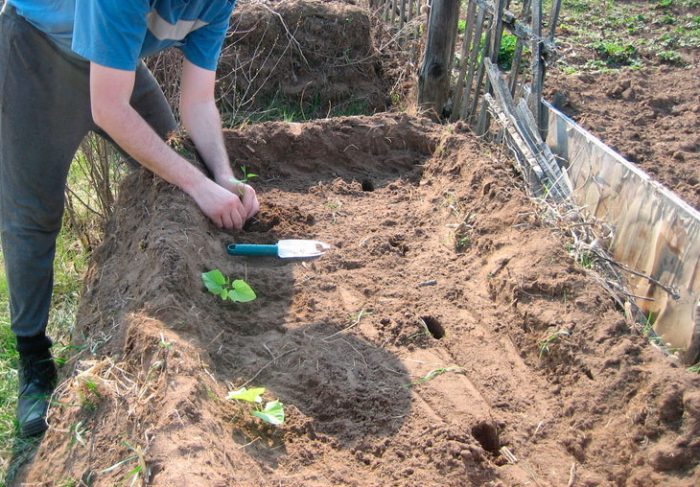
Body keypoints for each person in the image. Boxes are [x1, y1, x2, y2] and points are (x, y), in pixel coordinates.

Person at [0, 0, 259, 437]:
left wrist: (222, 176)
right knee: (32, 213)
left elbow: (198, 101)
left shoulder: (217, 3)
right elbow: (109, 109)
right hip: (37, 52)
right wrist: (198, 186)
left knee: (174, 166)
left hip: (111, 65)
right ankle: (34, 361)